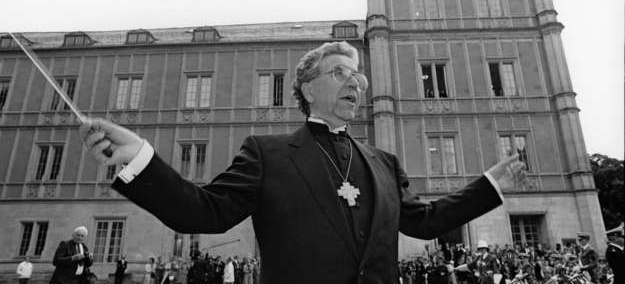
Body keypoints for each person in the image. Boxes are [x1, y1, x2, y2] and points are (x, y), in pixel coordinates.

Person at [80, 41, 527, 284]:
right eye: (340, 72)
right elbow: (204, 212)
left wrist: (489, 186)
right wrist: (139, 158)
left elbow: (425, 222)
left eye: (358, 76)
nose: (354, 82)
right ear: (308, 89)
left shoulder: (384, 162)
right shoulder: (267, 153)